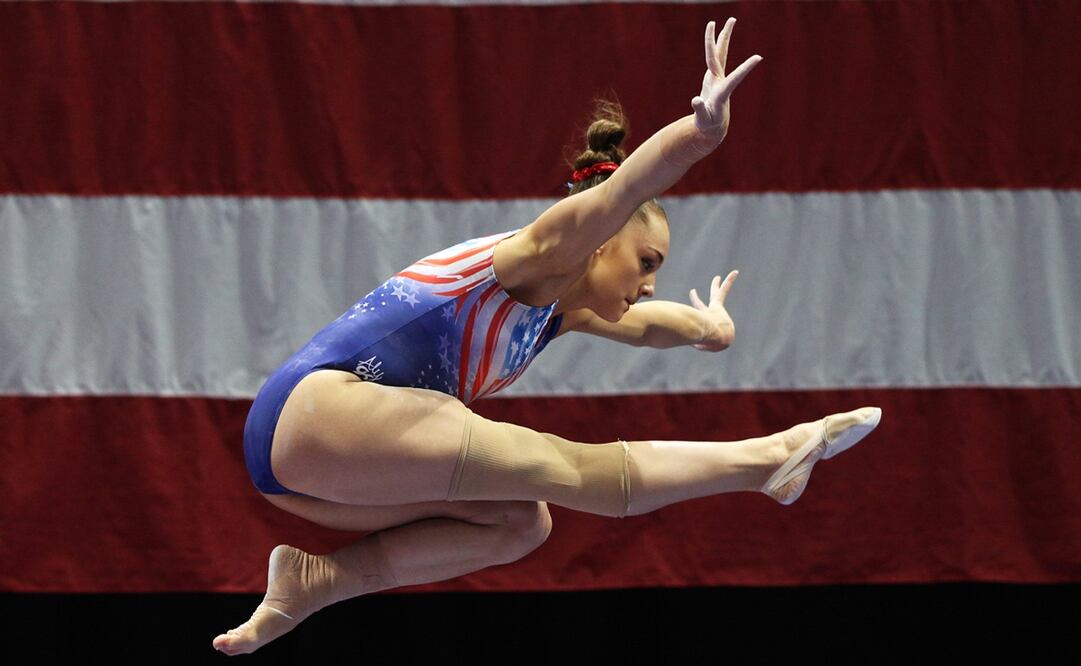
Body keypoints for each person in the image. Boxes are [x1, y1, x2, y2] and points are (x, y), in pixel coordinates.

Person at [213, 18, 881, 656]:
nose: (650, 283)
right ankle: (765, 460)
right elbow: (631, 185)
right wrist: (698, 135)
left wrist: (712, 327)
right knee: (561, 466)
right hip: (315, 410)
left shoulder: (562, 311)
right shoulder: (533, 253)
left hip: (302, 473)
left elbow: (656, 328)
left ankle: (317, 582)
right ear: (598, 243)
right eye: (645, 262)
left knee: (519, 523)